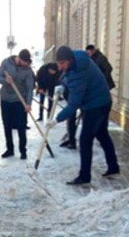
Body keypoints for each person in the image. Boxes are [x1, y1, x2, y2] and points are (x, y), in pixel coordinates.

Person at [46, 45, 120, 185]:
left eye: (62, 63)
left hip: (96, 105)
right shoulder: (79, 57)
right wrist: (64, 84)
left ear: (70, 59)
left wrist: (56, 119)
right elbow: (69, 75)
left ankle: (84, 176)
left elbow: (73, 105)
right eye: (58, 63)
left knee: (85, 140)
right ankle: (113, 167)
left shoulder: (78, 74)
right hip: (104, 100)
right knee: (102, 135)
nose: (60, 67)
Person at [0, 49, 34, 160]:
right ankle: (10, 149)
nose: (25, 65)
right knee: (7, 125)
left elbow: (29, 89)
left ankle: (23, 151)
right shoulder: (6, 63)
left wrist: (28, 103)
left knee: (21, 126)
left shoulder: (27, 70)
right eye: (24, 62)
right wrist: (5, 80)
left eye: (27, 63)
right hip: (5, 99)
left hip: (19, 100)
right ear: (19, 58)